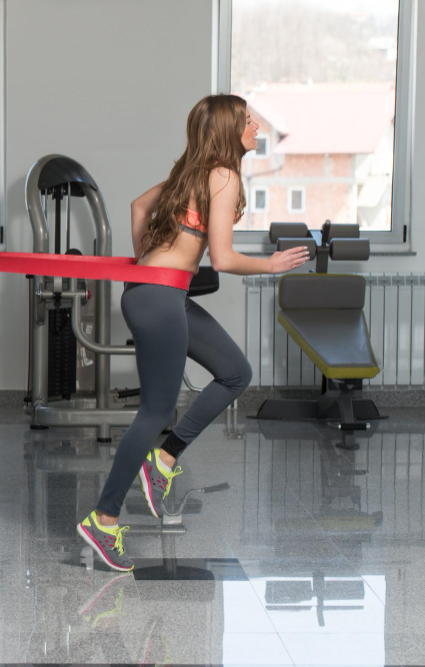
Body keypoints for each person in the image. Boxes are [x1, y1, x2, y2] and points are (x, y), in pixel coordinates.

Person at [78, 94, 309, 571]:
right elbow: (222, 258)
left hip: (161, 293)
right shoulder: (223, 175)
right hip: (160, 298)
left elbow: (139, 206)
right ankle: (103, 519)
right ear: (229, 129)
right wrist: (270, 265)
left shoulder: (194, 171)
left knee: (234, 372)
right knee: (155, 410)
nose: (256, 128)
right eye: (248, 121)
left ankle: (163, 462)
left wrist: (148, 264)